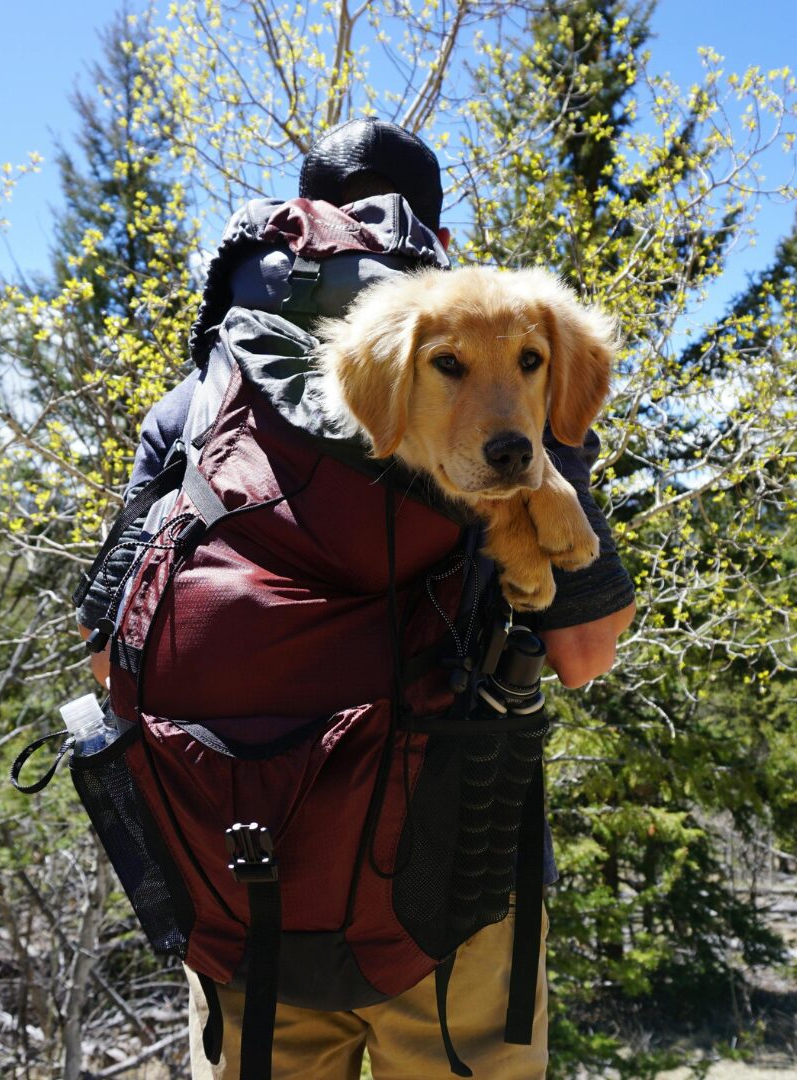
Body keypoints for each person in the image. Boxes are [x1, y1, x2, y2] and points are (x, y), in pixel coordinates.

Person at [76, 118, 635, 1079]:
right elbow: (586, 655)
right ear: (439, 245)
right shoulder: (506, 371)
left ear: (303, 226)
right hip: (455, 883)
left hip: (246, 880)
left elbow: (107, 651)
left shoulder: (200, 403)